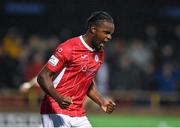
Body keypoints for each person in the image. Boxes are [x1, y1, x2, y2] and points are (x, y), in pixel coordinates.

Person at [37, 11, 116, 128]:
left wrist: (101, 102)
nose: (109, 37)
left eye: (111, 34)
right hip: (55, 109)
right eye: (106, 33)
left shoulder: (100, 54)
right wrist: (58, 98)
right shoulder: (69, 48)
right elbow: (43, 76)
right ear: (93, 29)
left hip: (78, 113)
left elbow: (87, 81)